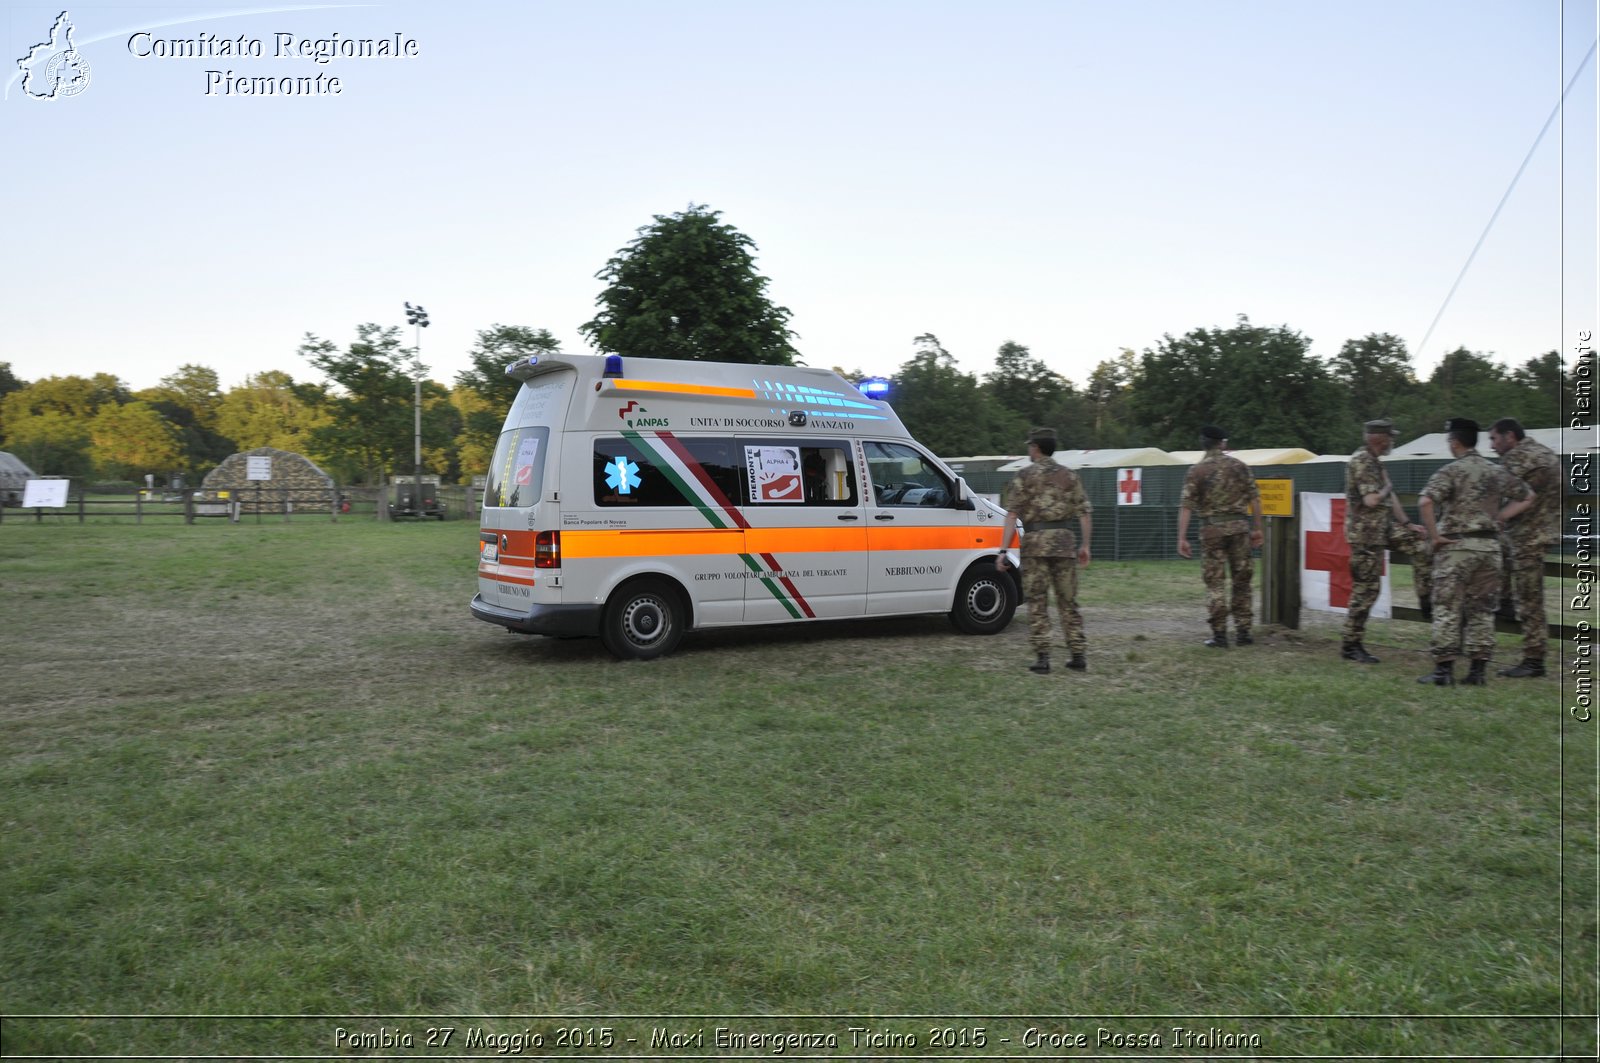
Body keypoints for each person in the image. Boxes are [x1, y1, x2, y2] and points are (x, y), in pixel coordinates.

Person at [1416, 418, 1535, 686]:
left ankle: (1443, 671)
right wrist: (1500, 517)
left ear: (1454, 442)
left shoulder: (1451, 471)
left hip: (1457, 547)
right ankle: (1477, 672)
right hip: (1490, 548)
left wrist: (1435, 537)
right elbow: (1528, 496)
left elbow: (1425, 501)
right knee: (1482, 609)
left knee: (1447, 607)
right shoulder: (1496, 471)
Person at [997, 427, 1092, 674]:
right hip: (1064, 543)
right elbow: (1084, 512)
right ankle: (1078, 654)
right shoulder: (1069, 476)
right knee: (1068, 600)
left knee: (1038, 601)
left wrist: (1003, 550)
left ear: (1036, 448)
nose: (1029, 449)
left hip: (1035, 545)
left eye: (1030, 446)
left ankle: (1043, 658)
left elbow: (1012, 515)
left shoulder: (1024, 476)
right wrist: (1085, 545)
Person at [1339, 419, 1434, 664]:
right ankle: (1351, 644)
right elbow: (1372, 500)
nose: (1393, 440)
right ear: (1379, 438)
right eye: (1390, 437)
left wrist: (1407, 524)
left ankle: (1426, 599)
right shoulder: (1362, 461)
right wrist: (1387, 486)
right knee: (1367, 590)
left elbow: (1390, 499)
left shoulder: (1375, 462)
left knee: (1420, 544)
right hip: (1365, 535)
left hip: (1382, 529)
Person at [1176, 425, 1263, 647]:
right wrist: (1258, 528)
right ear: (1222, 443)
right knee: (1242, 581)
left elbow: (1186, 506)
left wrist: (1182, 538)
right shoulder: (1240, 467)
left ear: (1203, 443)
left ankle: (1220, 635)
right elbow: (1255, 499)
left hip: (1212, 531)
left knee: (1215, 583)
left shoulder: (1197, 471)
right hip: (1240, 529)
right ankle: (1244, 632)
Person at [1487, 418, 1561, 677]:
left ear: (1510, 437)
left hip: (1526, 537)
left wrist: (1497, 516)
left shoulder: (1516, 458)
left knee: (1530, 600)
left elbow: (1496, 490)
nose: (1492, 446)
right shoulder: (1545, 453)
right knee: (1526, 592)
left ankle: (1534, 659)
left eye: (1494, 439)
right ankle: (1505, 601)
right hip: (1541, 532)